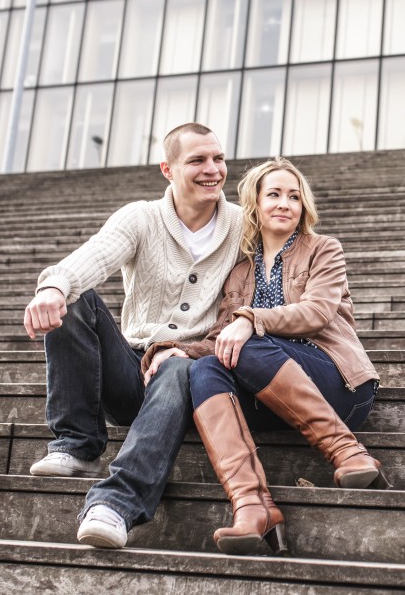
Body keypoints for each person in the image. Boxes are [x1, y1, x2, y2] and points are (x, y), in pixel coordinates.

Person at [141, 157, 387, 555]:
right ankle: (253, 507)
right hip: (274, 398)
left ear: (304, 206)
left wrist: (250, 317)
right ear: (254, 203)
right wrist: (175, 349)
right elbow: (222, 337)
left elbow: (317, 313)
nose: (284, 203)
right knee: (205, 366)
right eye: (273, 194)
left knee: (249, 340)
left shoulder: (324, 250)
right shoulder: (238, 271)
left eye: (294, 196)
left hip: (337, 384)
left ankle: (348, 452)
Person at [22, 122, 243, 550]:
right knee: (73, 298)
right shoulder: (141, 217)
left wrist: (183, 350)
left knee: (179, 365)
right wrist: (52, 287)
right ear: (168, 169)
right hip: (133, 370)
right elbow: (94, 255)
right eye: (197, 160)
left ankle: (116, 505)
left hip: (196, 374)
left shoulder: (241, 224)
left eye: (218, 158)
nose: (213, 169)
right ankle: (78, 445)